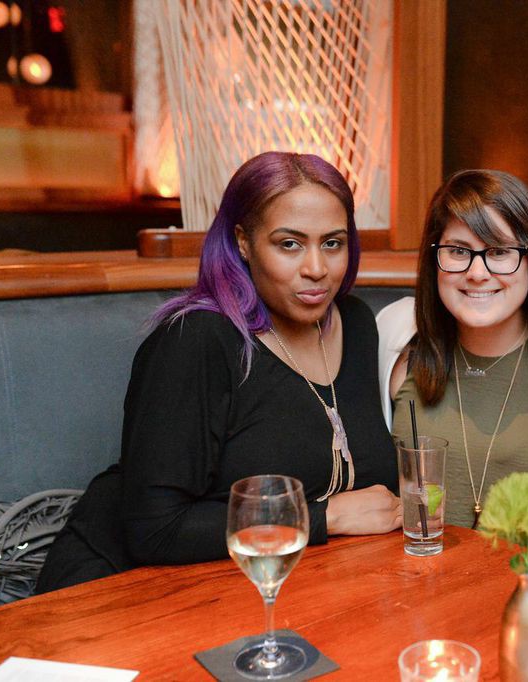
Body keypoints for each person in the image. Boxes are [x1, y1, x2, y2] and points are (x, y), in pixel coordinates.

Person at [38, 152, 401, 592]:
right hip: (116, 591)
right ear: (243, 242)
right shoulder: (197, 339)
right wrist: (326, 517)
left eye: (332, 243)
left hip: (264, 586)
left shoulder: (354, 324)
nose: (316, 269)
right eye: (289, 244)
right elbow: (155, 529)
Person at [376, 169, 528, 571]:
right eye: (458, 251)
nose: (477, 272)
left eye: (500, 252)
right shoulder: (397, 337)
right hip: (419, 587)